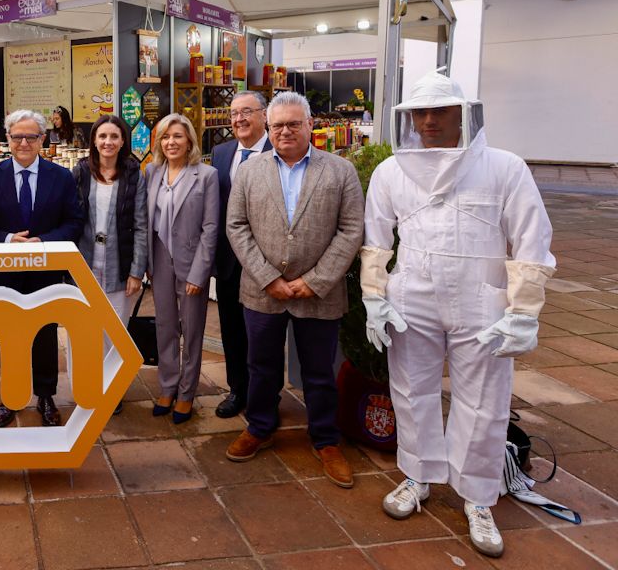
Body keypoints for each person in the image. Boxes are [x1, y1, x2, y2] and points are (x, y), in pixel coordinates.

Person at [361, 71, 555, 558]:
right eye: (420, 113)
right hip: (413, 295)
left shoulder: (504, 167)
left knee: (485, 398)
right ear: (407, 118)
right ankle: (417, 475)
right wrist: (374, 297)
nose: (429, 121)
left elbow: (531, 239)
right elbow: (376, 240)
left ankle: (479, 496)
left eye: (440, 111)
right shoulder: (391, 172)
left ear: (463, 114)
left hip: (480, 297)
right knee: (410, 389)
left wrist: (523, 311)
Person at [224, 92, 363, 488]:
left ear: (309, 125)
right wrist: (268, 277)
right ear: (268, 128)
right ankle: (260, 426)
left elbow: (352, 229)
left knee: (319, 371)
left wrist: (315, 281)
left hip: (319, 293)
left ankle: (326, 439)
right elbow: (236, 226)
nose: (285, 131)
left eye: (293, 124)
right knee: (261, 366)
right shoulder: (249, 171)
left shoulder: (340, 171)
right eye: (278, 125)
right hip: (262, 290)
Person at [0, 110, 84, 427]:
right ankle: (10, 397)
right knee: (7, 333)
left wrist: (44, 241)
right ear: (8, 139)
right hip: (4, 272)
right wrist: (7, 238)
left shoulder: (61, 177)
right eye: (17, 137)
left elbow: (74, 222)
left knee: (45, 333)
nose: (23, 143)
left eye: (31, 137)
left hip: (45, 271)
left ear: (42, 139)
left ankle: (46, 395)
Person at [144, 113, 219, 425]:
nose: (171, 142)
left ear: (189, 140)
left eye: (177, 136)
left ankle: (187, 393)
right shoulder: (152, 172)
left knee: (192, 329)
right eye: (165, 137)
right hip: (160, 258)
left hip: (191, 262)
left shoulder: (206, 175)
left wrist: (199, 273)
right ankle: (167, 386)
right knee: (165, 326)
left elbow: (211, 229)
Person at [72, 114, 147, 415]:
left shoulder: (134, 175)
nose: (108, 142)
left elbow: (141, 225)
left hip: (120, 263)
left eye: (114, 136)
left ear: (123, 141)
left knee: (115, 331)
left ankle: (111, 390)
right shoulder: (80, 172)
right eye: (102, 136)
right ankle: (85, 386)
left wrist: (136, 271)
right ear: (93, 140)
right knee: (84, 329)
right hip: (85, 262)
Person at [209, 91, 272, 418]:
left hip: (266, 261)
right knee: (232, 329)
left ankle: (266, 397)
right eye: (234, 113)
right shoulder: (221, 153)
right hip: (229, 262)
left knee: (263, 334)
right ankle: (237, 390)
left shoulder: (279, 151)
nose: (239, 119)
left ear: (264, 115)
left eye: (247, 112)